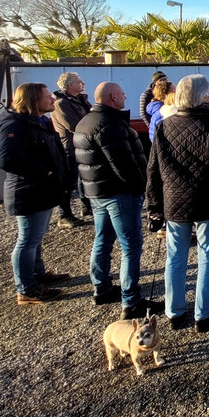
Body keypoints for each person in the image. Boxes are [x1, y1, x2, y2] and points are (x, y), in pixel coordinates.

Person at [146, 74, 209, 333]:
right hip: (207, 199)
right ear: (204, 96)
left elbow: (153, 170)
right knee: (208, 255)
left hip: (174, 201)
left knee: (175, 257)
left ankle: (174, 311)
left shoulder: (164, 126)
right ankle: (203, 314)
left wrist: (153, 206)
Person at [75, 81, 159, 320]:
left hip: (98, 192)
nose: (125, 97)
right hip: (119, 193)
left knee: (103, 239)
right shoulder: (109, 125)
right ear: (112, 96)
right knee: (130, 245)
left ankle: (101, 286)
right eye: (122, 94)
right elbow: (123, 165)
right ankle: (131, 299)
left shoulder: (85, 121)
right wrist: (142, 188)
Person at [0, 82, 70, 305]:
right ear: (32, 101)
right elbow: (6, 159)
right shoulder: (15, 126)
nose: (53, 100)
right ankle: (27, 289)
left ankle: (38, 274)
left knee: (36, 238)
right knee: (27, 240)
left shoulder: (39, 122)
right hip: (28, 193)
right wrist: (44, 172)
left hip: (42, 191)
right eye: (47, 97)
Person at [52, 71, 92, 226]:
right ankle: (64, 215)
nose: (83, 83)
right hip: (70, 148)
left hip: (82, 145)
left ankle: (86, 207)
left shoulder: (81, 100)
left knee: (83, 178)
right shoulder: (61, 104)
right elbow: (75, 126)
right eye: (79, 81)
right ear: (69, 85)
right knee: (68, 182)